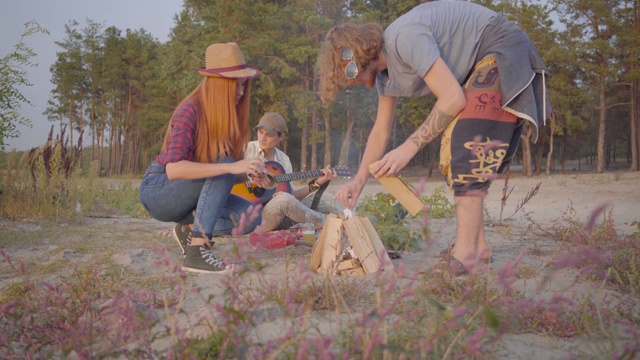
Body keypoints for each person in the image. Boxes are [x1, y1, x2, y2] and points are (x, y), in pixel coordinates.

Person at [315, 1, 551, 275]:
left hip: (500, 47)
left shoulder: (403, 38)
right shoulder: (385, 79)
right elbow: (380, 131)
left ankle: (466, 254)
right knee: (453, 150)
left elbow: (452, 97)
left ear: (353, 58)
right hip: (479, 64)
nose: (349, 84)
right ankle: (479, 247)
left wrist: (407, 149)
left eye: (346, 76)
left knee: (467, 144)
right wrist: (358, 181)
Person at [139, 42, 267, 274]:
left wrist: (249, 174)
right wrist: (232, 168)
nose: (241, 92)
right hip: (160, 189)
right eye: (235, 85)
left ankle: (189, 229)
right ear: (218, 84)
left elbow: (224, 177)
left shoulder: (231, 119)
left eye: (243, 85)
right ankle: (197, 252)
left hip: (191, 197)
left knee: (252, 217)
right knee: (225, 167)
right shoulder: (190, 110)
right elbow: (174, 170)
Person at [245, 112, 345, 232]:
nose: (262, 138)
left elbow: (292, 196)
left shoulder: (284, 160)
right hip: (252, 218)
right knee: (284, 200)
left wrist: (318, 183)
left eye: (268, 134)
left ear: (281, 137)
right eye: (260, 132)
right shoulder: (246, 150)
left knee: (327, 198)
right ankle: (323, 223)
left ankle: (353, 220)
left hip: (277, 210)